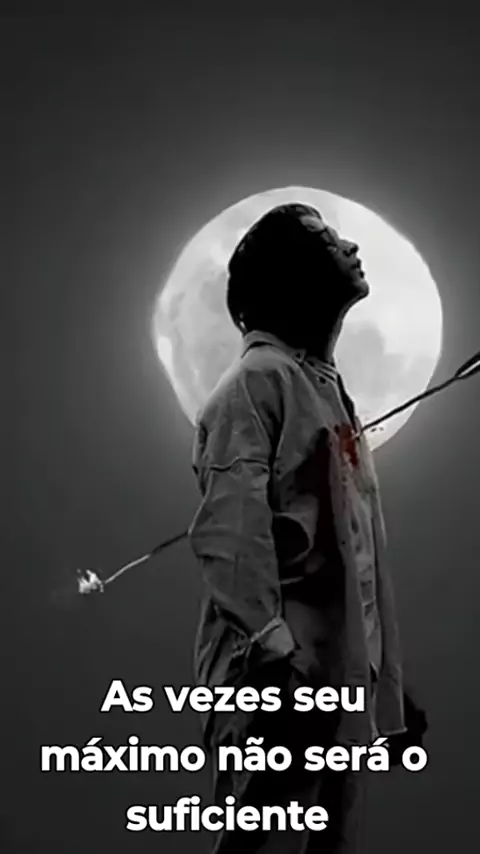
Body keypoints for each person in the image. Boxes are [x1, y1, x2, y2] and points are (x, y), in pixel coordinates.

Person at [188, 203, 426, 853]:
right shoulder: (256, 383)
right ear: (293, 274)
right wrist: (274, 653)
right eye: (327, 239)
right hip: (279, 689)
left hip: (337, 689)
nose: (351, 247)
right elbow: (230, 535)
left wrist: (383, 680)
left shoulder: (323, 387)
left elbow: (354, 554)